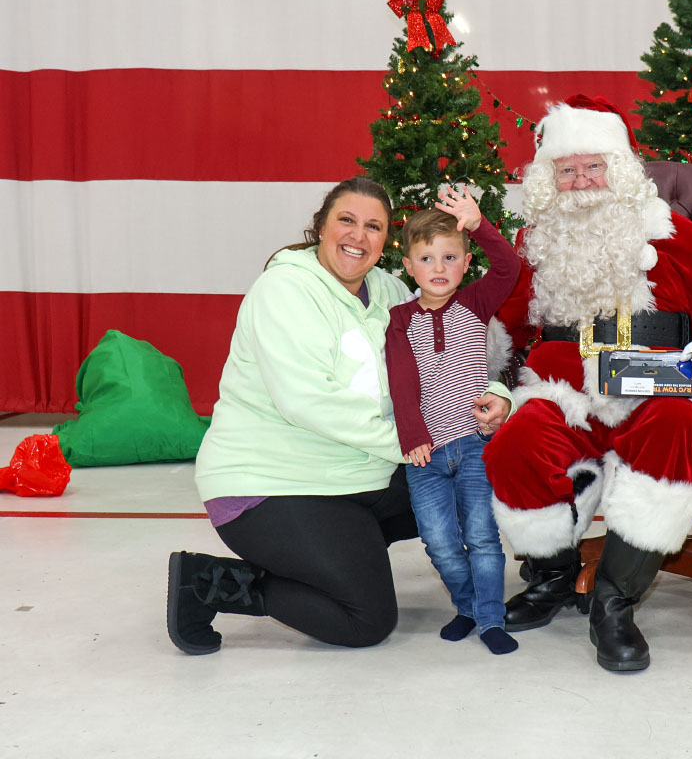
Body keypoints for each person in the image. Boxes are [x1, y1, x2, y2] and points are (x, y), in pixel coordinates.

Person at [483, 95, 692, 672]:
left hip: (656, 391)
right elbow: (501, 328)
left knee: (674, 426)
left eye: (594, 166)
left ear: (618, 168)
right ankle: (554, 576)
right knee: (516, 441)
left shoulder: (674, 236)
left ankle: (614, 601)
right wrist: (476, 376)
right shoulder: (535, 242)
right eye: (567, 170)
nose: (581, 181)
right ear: (548, 179)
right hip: (564, 392)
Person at [166, 176, 512, 655]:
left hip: (355, 474)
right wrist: (422, 441)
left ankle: (338, 553)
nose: (358, 235)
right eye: (346, 220)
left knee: (470, 479)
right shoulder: (283, 290)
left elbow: (451, 353)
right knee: (366, 620)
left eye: (374, 226)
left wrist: (495, 395)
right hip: (273, 484)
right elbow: (307, 402)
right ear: (321, 226)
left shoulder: (391, 290)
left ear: (387, 241)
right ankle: (211, 582)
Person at [385, 186, 520, 655]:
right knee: (440, 543)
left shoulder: (474, 304)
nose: (438, 268)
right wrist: (412, 435)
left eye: (449, 257)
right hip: (425, 456)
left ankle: (490, 618)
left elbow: (509, 267)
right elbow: (401, 380)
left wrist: (478, 225)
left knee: (482, 537)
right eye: (426, 259)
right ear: (409, 266)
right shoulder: (399, 319)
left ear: (465, 264)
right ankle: (467, 607)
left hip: (475, 443)